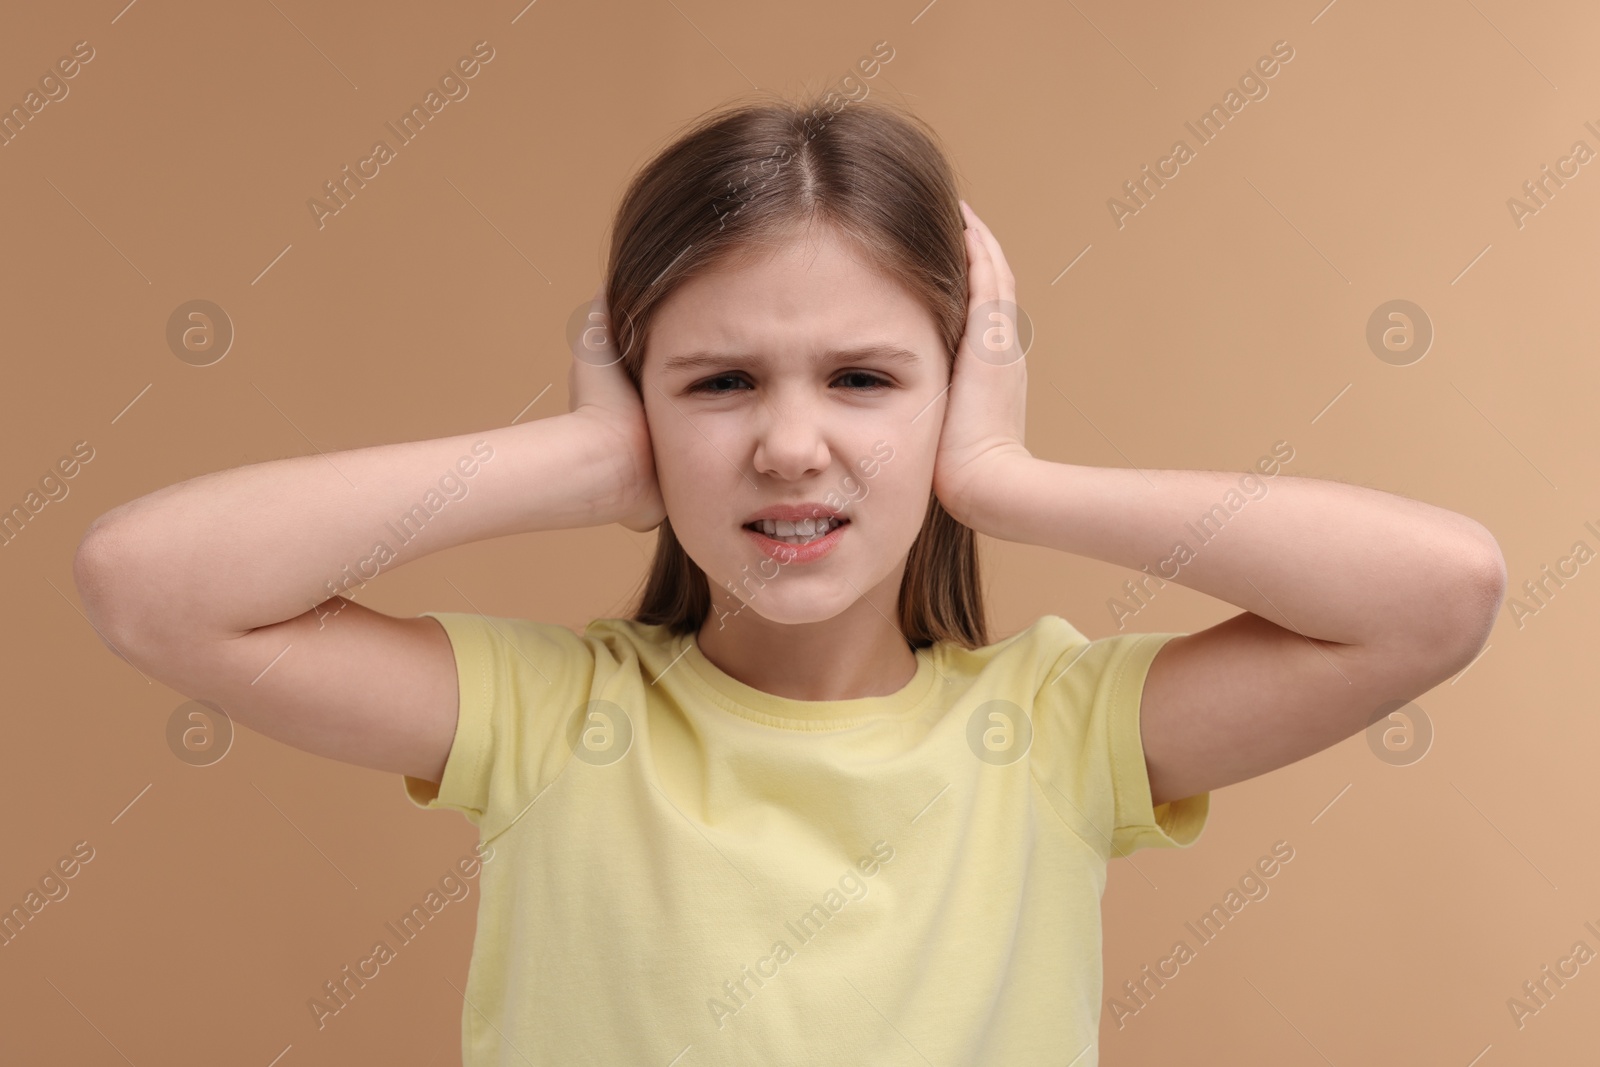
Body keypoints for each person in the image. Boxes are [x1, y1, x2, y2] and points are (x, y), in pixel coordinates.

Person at [72, 94, 1506, 1065]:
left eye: (867, 378)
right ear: (641, 400)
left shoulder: (1059, 732)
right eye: (720, 381)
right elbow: (148, 583)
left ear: (956, 396)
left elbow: (1438, 592)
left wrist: (1006, 480)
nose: (791, 443)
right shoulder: (552, 715)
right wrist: (583, 463)